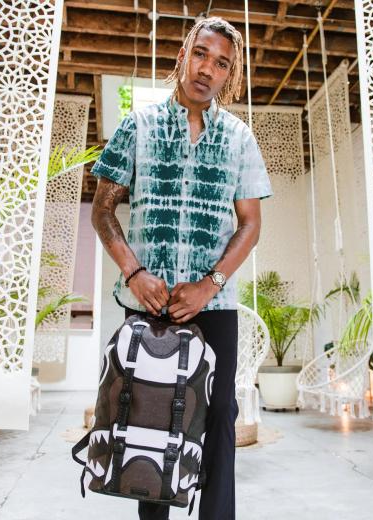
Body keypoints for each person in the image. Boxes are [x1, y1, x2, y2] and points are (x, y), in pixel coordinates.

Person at [90, 15, 273, 520]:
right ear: (183, 56)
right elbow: (102, 210)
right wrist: (135, 273)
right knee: (149, 420)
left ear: (230, 75)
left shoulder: (239, 138)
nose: (208, 69)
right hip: (148, 302)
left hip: (215, 305)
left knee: (219, 418)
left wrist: (209, 284)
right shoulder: (138, 125)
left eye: (222, 64)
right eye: (201, 54)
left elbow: (250, 224)